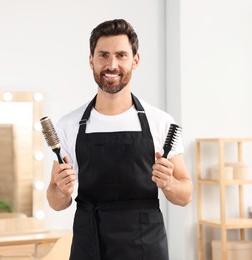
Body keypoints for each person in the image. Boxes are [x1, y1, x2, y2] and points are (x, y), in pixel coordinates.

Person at [46, 19, 193, 260]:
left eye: (121, 55)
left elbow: (185, 195)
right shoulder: (69, 125)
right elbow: (56, 201)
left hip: (144, 246)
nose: (111, 65)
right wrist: (62, 190)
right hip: (89, 243)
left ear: (135, 60)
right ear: (91, 60)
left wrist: (169, 183)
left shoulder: (161, 122)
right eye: (103, 55)